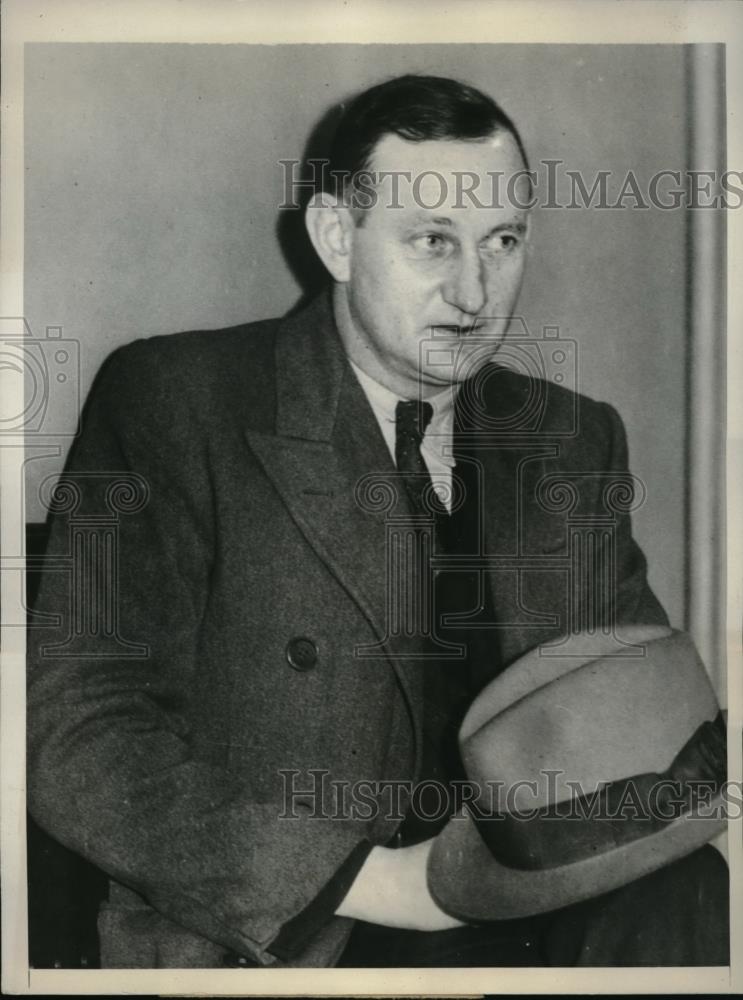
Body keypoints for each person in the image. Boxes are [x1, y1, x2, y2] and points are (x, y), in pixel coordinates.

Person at [26, 74, 728, 969]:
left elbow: (633, 712)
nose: (475, 294)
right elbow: (75, 738)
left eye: (502, 242)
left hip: (540, 905)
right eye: (433, 241)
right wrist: (379, 881)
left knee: (692, 889)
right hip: (301, 925)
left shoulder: (569, 438)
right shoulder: (177, 402)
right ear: (336, 238)